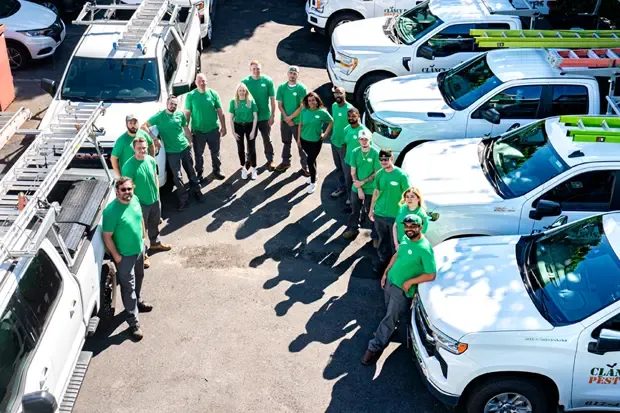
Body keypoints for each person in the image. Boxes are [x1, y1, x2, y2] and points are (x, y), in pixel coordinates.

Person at [362, 214, 436, 366]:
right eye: (407, 226)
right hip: (390, 282)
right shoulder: (406, 239)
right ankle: (389, 331)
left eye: (413, 226)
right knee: (390, 313)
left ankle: (375, 346)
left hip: (402, 290)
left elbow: (431, 274)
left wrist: (410, 282)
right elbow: (396, 256)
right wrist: (385, 273)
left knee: (389, 317)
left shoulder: (425, 249)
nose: (409, 229)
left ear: (420, 227)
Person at [102, 177, 153, 341]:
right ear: (117, 191)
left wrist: (143, 240)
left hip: (139, 250)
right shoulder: (110, 211)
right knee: (128, 288)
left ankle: (138, 301)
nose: (127, 193)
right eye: (123, 190)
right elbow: (107, 236)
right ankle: (134, 323)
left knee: (140, 277)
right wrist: (116, 256)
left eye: (129, 189)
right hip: (124, 257)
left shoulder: (135, 199)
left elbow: (140, 222)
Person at [142, 95, 205, 211]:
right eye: (171, 103)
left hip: (184, 148)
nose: (173, 106)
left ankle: (197, 190)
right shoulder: (160, 116)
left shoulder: (180, 114)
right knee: (177, 177)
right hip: (171, 152)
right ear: (167, 103)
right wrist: (155, 139)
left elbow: (185, 128)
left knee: (191, 171)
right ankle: (183, 198)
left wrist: (190, 141)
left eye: (175, 104)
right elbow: (144, 126)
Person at [122, 137, 172, 269]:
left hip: (155, 200)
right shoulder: (128, 167)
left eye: (144, 147)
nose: (142, 150)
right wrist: (133, 207)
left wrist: (157, 195)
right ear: (134, 149)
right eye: (139, 148)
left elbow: (155, 176)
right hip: (140, 204)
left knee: (154, 223)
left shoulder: (150, 159)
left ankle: (155, 243)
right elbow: (127, 190)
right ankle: (143, 255)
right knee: (141, 231)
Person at [369, 149, 411, 273]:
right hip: (380, 214)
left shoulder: (401, 175)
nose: (383, 162)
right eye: (381, 160)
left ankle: (395, 267)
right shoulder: (379, 174)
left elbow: (408, 195)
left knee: (395, 242)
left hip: (395, 216)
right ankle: (383, 261)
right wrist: (372, 209)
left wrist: (406, 214)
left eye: (386, 159)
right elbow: (376, 192)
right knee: (382, 239)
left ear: (391, 158)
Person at [184, 73, 227, 181]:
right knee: (198, 154)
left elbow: (220, 112)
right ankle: (199, 173)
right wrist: (186, 131)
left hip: (213, 129)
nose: (202, 83)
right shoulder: (191, 96)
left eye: (203, 81)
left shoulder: (213, 94)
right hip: (198, 132)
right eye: (199, 81)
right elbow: (187, 114)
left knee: (215, 152)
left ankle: (217, 170)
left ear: (206, 81)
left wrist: (224, 127)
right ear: (195, 83)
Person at [343, 130, 381, 239]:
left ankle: (375, 236)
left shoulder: (375, 153)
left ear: (370, 140)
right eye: (361, 139)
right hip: (357, 187)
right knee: (355, 210)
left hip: (371, 189)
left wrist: (363, 183)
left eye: (366, 139)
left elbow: (376, 172)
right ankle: (353, 229)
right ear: (359, 140)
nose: (364, 141)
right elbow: (353, 172)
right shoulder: (355, 152)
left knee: (371, 212)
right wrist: (359, 188)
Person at [241, 60, 276, 171]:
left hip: (264, 117)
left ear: (261, 69)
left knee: (267, 139)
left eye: (258, 69)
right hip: (250, 118)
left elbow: (272, 99)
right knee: (250, 139)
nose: (256, 71)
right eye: (254, 69)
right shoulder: (244, 82)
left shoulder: (267, 81)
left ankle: (270, 160)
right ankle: (249, 160)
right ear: (250, 70)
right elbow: (240, 100)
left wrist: (272, 115)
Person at [298, 92, 333, 194]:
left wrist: (326, 134)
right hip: (304, 140)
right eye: (309, 100)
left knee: (310, 160)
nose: (311, 102)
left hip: (316, 142)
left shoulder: (322, 112)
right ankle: (315, 175)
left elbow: (331, 121)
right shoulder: (304, 110)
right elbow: (300, 124)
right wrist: (299, 139)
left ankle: (313, 182)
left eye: (313, 100)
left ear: (317, 101)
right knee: (311, 158)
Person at [275, 65, 308, 175]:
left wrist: (291, 118)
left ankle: (305, 166)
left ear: (298, 75)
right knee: (286, 142)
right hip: (285, 121)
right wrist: (286, 118)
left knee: (300, 144)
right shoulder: (281, 88)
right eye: (291, 73)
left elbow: (302, 106)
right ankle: (285, 162)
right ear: (288, 74)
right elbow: (280, 105)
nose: (292, 75)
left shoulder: (301, 88)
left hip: (297, 122)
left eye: (295, 73)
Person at [342, 107, 370, 213]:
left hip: (360, 165)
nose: (351, 118)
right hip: (348, 162)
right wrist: (346, 157)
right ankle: (351, 201)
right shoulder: (347, 129)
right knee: (349, 182)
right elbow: (345, 143)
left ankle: (362, 209)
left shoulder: (364, 132)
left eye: (354, 116)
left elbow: (368, 148)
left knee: (360, 185)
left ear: (358, 116)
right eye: (349, 116)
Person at [229, 83, 258, 180]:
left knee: (251, 149)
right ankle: (243, 168)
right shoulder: (233, 102)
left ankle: (254, 168)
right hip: (238, 126)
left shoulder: (251, 101)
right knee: (240, 149)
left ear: (246, 92)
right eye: (240, 90)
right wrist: (233, 132)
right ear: (237, 92)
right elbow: (231, 118)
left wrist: (253, 131)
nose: (241, 92)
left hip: (249, 126)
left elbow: (255, 117)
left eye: (243, 90)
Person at [329, 86, 354, 199]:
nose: (337, 95)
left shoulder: (350, 109)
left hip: (345, 145)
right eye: (335, 93)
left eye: (340, 93)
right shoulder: (334, 106)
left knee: (347, 171)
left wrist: (347, 142)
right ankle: (342, 188)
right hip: (334, 142)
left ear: (345, 94)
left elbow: (353, 127)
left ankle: (350, 195)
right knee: (338, 167)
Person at [393, 187, 428, 251]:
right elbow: (395, 225)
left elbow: (422, 236)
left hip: (412, 248)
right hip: (399, 245)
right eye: (407, 196)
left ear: (418, 198)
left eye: (412, 196)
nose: (409, 199)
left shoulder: (422, 215)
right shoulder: (402, 208)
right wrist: (396, 244)